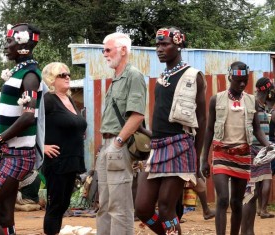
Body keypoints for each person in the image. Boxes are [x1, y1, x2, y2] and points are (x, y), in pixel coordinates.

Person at [135, 26, 207, 235]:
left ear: (178, 45)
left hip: (180, 147)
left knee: (167, 208)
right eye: (157, 45)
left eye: (165, 44)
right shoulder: (162, 76)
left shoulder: (193, 76)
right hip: (158, 148)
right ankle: (170, 233)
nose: (159, 49)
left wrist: (197, 157)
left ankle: (171, 230)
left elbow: (202, 118)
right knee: (143, 209)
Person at [0, 23, 43, 234]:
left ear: (23, 44)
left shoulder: (30, 75)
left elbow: (29, 117)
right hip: (9, 156)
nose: (6, 45)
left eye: (10, 41)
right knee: (4, 214)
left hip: (16, 157)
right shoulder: (19, 73)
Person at [201, 62, 271, 235]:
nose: (241, 84)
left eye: (245, 81)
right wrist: (204, 159)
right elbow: (209, 130)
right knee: (223, 199)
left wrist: (268, 145)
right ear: (230, 77)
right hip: (221, 154)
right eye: (238, 80)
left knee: (237, 202)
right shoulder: (216, 99)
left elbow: (256, 129)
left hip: (243, 156)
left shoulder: (251, 101)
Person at [96, 32, 147, 235]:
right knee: (104, 206)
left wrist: (117, 143)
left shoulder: (133, 75)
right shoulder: (116, 78)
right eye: (104, 50)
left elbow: (137, 116)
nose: (105, 54)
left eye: (108, 49)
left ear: (123, 50)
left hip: (118, 145)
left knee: (120, 208)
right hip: (107, 145)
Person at [42, 62, 87, 235]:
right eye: (62, 75)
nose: (68, 77)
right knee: (56, 205)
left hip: (72, 160)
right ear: (51, 80)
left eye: (68, 74)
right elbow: (29, 121)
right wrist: (42, 145)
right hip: (57, 162)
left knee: (64, 204)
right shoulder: (48, 100)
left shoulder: (68, 99)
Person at [241, 77, 275, 235]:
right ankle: (248, 227)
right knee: (253, 189)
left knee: (255, 189)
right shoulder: (255, 103)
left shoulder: (261, 104)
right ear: (267, 90)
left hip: (262, 148)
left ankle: (249, 228)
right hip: (256, 148)